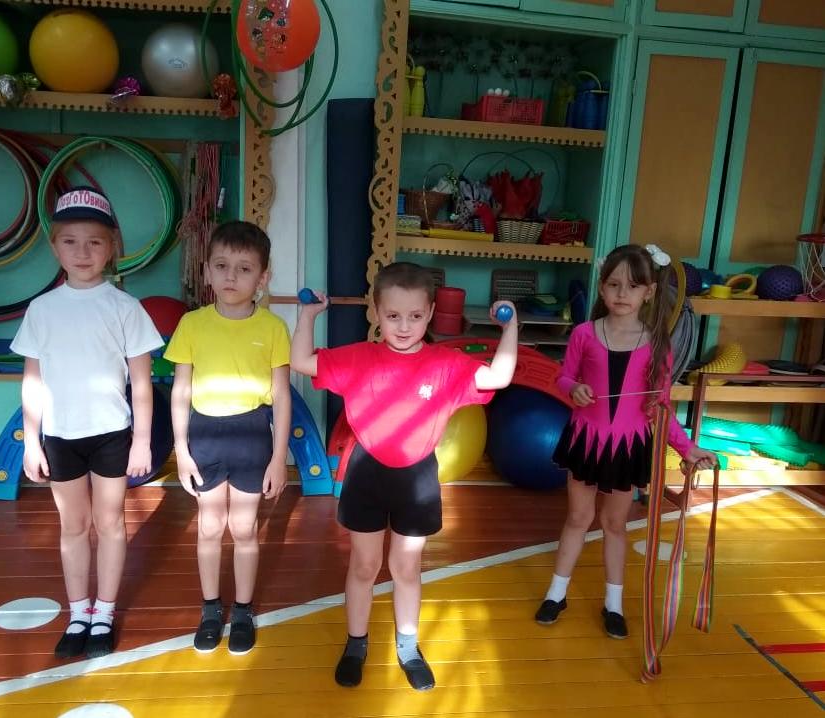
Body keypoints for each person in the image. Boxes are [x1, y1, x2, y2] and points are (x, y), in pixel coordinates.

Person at [291, 261, 518, 691]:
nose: (404, 326)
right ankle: (356, 644)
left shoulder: (445, 364)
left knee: (406, 567)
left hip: (416, 479)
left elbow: (500, 376)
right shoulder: (359, 358)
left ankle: (408, 647)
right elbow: (301, 360)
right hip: (367, 473)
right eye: (393, 315)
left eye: (415, 315)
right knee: (364, 565)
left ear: (430, 312)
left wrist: (510, 328)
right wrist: (308, 316)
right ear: (376, 312)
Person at [536, 243, 717, 639]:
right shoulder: (584, 334)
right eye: (614, 284)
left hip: (628, 446)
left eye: (633, 286)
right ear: (602, 287)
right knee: (578, 518)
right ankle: (556, 594)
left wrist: (687, 448)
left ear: (649, 292)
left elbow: (661, 405)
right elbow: (562, 377)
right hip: (586, 441)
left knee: (615, 524)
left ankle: (613, 604)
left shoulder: (657, 344)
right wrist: (574, 389)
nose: (622, 293)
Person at [12, 187, 162, 659]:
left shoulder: (125, 308)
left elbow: (142, 383)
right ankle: (78, 612)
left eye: (95, 242)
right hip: (60, 437)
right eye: (71, 241)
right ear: (55, 247)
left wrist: (142, 442)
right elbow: (32, 381)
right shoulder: (42, 310)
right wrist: (31, 442)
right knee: (73, 525)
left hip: (111, 435)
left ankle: (104, 613)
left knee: (110, 522)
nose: (83, 252)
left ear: (112, 247)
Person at [165, 221, 291, 655]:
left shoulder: (273, 328)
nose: (231, 277)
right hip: (205, 434)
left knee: (244, 527)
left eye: (244, 268)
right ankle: (210, 609)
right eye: (221, 266)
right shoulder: (192, 325)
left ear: (263, 277)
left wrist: (279, 457)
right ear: (206, 271)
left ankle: (242, 611)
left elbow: (281, 396)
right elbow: (180, 391)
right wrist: (181, 450)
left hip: (252, 435)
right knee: (210, 525)